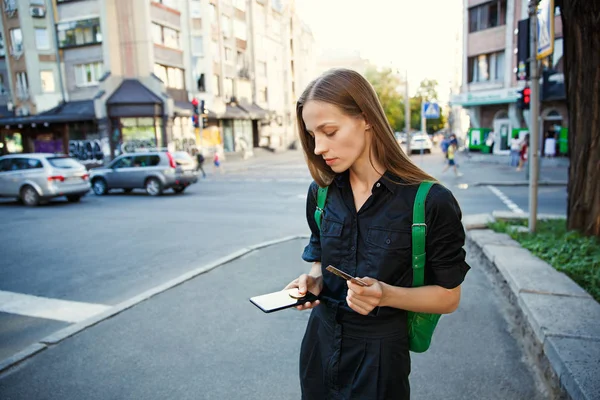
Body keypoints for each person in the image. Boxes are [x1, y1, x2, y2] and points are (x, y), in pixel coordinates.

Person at [285, 69, 470, 400]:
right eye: (313, 135)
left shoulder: (429, 202)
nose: (318, 148)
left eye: (329, 131)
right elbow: (319, 257)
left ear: (366, 118)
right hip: (319, 344)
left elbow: (449, 297)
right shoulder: (322, 193)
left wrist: (385, 294)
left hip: (381, 358)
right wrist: (314, 282)